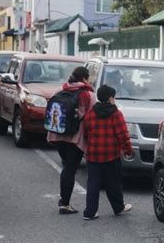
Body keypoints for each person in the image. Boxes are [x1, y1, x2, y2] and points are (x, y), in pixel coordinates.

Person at [47, 67, 96, 214]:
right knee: (70, 169)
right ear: (85, 79)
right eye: (89, 78)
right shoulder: (88, 95)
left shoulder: (60, 90)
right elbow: (92, 117)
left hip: (58, 135)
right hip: (76, 138)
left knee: (66, 167)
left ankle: (64, 201)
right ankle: (65, 204)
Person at [82, 85, 134, 220]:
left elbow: (85, 132)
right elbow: (123, 134)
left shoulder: (91, 113)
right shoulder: (116, 114)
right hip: (111, 155)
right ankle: (118, 207)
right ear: (110, 98)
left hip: (93, 154)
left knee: (93, 183)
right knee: (113, 183)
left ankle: (90, 212)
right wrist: (128, 150)